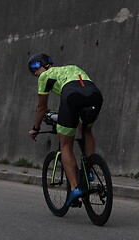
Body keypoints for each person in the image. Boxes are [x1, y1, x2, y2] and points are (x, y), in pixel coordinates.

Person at [27, 53, 103, 206]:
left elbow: (41, 108)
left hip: (72, 96)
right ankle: (89, 171)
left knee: (66, 144)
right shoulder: (72, 67)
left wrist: (36, 128)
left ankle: (75, 189)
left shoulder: (44, 77)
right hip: (94, 94)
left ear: (44, 65)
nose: (35, 73)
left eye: (35, 68)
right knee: (86, 130)